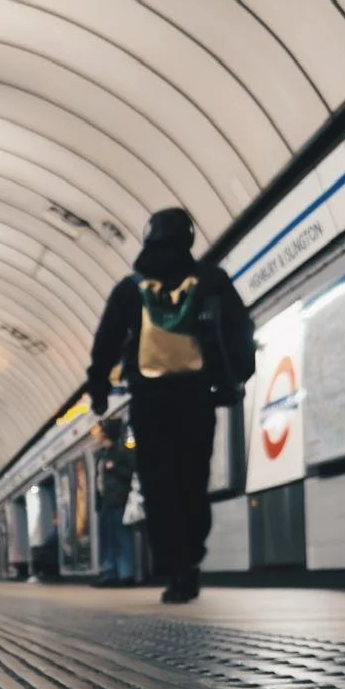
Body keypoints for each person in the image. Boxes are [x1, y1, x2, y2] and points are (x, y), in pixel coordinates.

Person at [86, 207, 254, 604]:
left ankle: (176, 569)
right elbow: (239, 330)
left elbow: (106, 340)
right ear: (188, 238)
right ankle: (191, 560)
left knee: (159, 485)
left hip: (150, 401)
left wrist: (97, 389)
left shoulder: (131, 287)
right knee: (192, 482)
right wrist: (237, 379)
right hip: (196, 397)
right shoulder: (211, 280)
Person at [93, 420, 136, 586]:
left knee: (121, 536)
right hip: (106, 501)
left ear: (105, 434)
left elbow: (130, 473)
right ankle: (109, 573)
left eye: (99, 432)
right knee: (107, 538)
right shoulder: (101, 455)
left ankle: (126, 574)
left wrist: (115, 467)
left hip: (119, 500)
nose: (95, 436)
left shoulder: (121, 452)